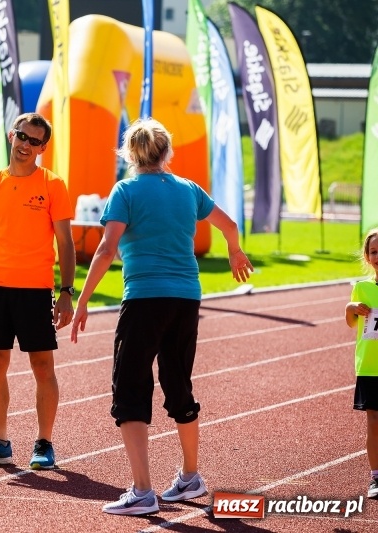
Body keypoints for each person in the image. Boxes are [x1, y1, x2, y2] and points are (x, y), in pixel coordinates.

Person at [70, 118, 253, 515]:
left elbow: (105, 249)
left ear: (130, 154)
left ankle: (142, 491)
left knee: (130, 390)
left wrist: (82, 299)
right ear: (166, 152)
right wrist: (236, 252)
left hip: (145, 298)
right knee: (176, 382)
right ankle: (190, 477)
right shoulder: (189, 190)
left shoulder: (126, 190)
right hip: (186, 298)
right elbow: (230, 225)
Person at [0, 112, 76, 470]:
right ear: (12, 135)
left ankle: (44, 443)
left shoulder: (53, 185)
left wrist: (66, 291)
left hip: (36, 289)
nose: (26, 145)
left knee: (42, 365)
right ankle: (0, 442)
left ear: (43, 147)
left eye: (34, 141)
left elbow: (66, 243)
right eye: (22, 136)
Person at [345, 227, 378, 498]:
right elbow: (350, 322)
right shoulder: (361, 288)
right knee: (374, 420)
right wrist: (350, 308)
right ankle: (376, 477)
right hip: (369, 366)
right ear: (367, 257)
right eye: (374, 252)